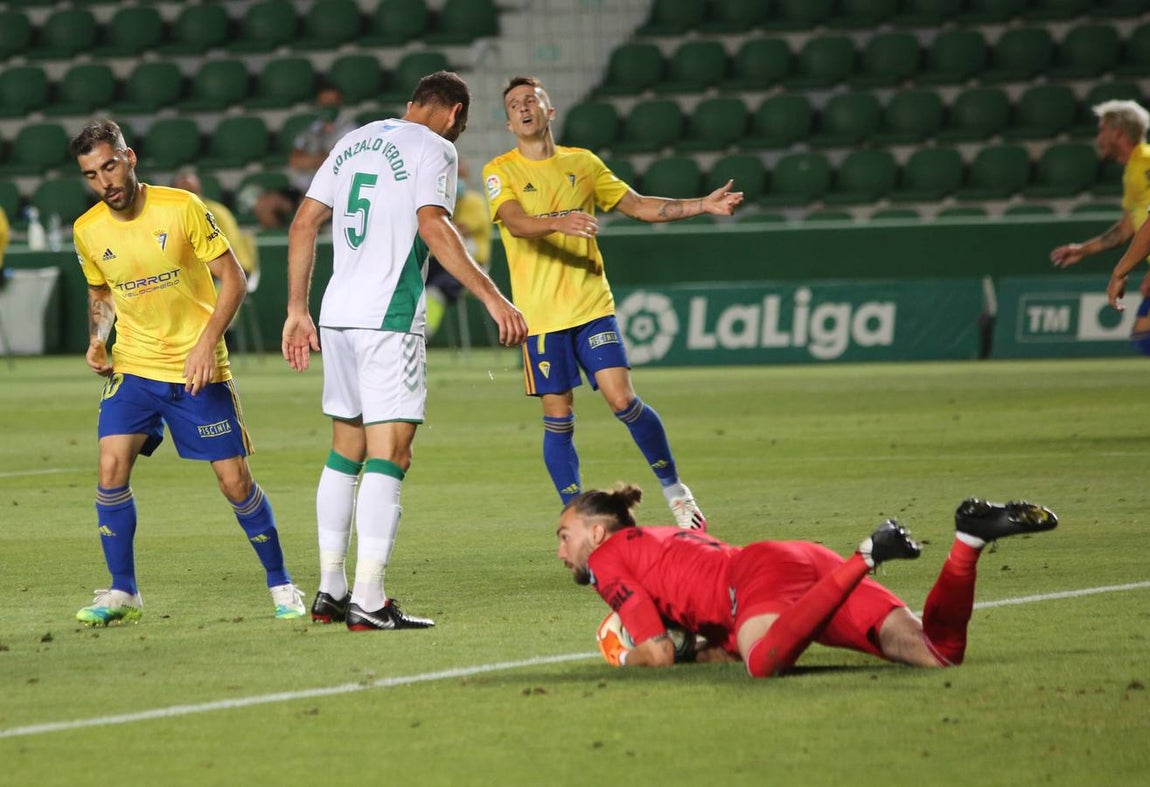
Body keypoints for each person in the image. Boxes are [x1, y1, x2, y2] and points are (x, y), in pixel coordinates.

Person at [282, 71, 528, 631]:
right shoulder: (435, 148)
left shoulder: (352, 140)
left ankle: (331, 589)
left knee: (345, 449)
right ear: (455, 113)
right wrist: (493, 298)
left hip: (337, 314)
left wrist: (297, 309)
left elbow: (302, 224)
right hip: (389, 317)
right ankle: (369, 600)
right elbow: (434, 227)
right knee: (390, 454)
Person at [69, 119, 305, 626]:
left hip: (197, 369)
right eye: (91, 175)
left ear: (129, 158)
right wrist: (97, 338)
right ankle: (123, 591)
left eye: (109, 166)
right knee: (110, 469)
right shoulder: (87, 230)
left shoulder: (181, 207)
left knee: (234, 482)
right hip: (135, 367)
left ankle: (282, 582)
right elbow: (102, 291)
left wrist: (205, 344)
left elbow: (233, 278)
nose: (105, 182)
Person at [482, 76, 744, 528]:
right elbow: (516, 223)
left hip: (591, 306)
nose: (523, 107)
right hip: (541, 316)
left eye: (531, 100)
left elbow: (638, 205)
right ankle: (577, 517)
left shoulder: (583, 163)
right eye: (514, 104)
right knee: (558, 414)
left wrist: (702, 204)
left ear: (549, 111)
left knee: (622, 398)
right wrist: (559, 222)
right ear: (509, 123)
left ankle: (676, 493)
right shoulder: (499, 170)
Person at [555, 484, 1057, 675]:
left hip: (759, 581)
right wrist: (696, 651)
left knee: (764, 663)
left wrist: (624, 656)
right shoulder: (657, 542)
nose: (561, 552)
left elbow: (658, 652)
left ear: (597, 534)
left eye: (565, 537)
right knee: (937, 652)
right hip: (797, 566)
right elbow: (720, 641)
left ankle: (867, 555)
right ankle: (968, 539)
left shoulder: (606, 560)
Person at [1051, 99, 1150, 353]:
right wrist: (1083, 249)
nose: (1099, 138)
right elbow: (1127, 228)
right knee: (1144, 337)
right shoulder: (1133, 170)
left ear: (1118, 133)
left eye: (1102, 130)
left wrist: (1119, 273)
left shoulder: (1146, 162)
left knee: (1145, 337)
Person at [253, 81, 357, 230]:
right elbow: (295, 160)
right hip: (303, 188)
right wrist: (322, 158)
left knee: (309, 207)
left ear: (340, 103)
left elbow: (341, 163)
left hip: (334, 192)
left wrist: (311, 160)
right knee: (264, 205)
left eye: (332, 102)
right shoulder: (312, 129)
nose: (328, 106)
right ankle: (284, 243)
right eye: (324, 102)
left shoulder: (351, 130)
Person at [425, 158, 493, 340]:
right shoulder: (439, 203)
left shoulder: (474, 202)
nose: (458, 182)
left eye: (460, 176)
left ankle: (424, 336)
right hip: (439, 263)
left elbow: (459, 230)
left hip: (472, 267)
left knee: (434, 292)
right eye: (454, 177)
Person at [172, 168, 259, 279]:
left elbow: (229, 248)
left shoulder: (217, 212)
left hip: (232, 268)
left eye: (192, 191)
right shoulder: (171, 215)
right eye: (183, 191)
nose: (189, 196)